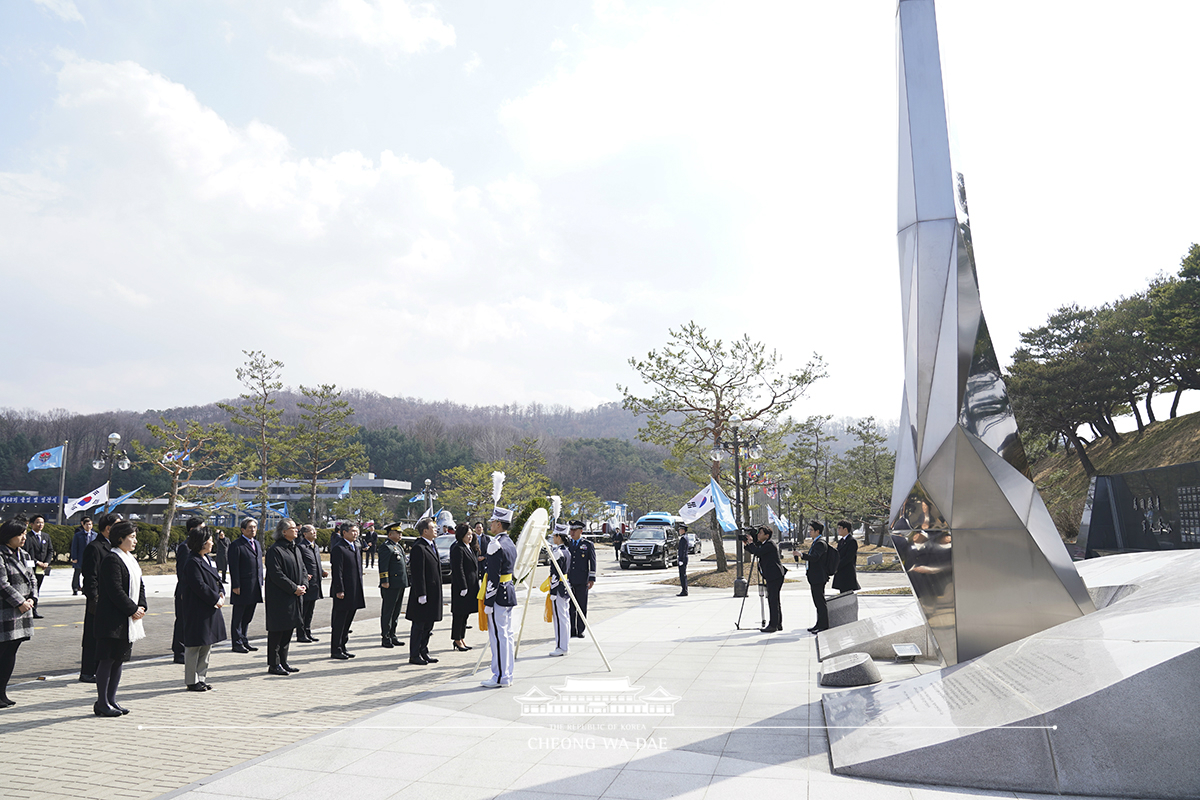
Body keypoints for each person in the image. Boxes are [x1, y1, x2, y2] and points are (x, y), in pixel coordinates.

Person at [94, 521, 147, 717]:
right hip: (112, 620)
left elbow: (140, 585)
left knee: (119, 661)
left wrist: (141, 606)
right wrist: (132, 609)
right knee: (107, 660)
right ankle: (101, 702)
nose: (135, 540)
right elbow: (114, 590)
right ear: (120, 538)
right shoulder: (112, 559)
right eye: (132, 536)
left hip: (127, 621)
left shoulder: (131, 559)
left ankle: (111, 699)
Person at [179, 525, 226, 691]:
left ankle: (201, 677)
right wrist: (215, 598)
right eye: (210, 541)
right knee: (194, 646)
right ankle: (191, 680)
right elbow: (199, 586)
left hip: (210, 608)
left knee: (207, 645)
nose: (212, 544)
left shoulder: (208, 559)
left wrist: (221, 593)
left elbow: (216, 580)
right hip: (198, 608)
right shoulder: (192, 561)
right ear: (201, 542)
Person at [80, 513, 120, 683]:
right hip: (98, 600)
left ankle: (100, 669)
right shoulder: (95, 547)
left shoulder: (115, 548)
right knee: (92, 636)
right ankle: (87, 671)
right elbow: (90, 576)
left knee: (105, 637)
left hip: (112, 602)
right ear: (108, 528)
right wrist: (94, 598)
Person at [1, 519, 37, 708]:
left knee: (11, 652)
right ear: (9, 536)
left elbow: (33, 578)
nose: (24, 537)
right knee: (2, 651)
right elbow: (2, 583)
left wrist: (32, 598)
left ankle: (2, 692)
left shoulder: (23, 554)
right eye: (20, 534)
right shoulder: (1, 555)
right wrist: (20, 601)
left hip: (23, 611)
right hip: (6, 611)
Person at [480, 507, 517, 687]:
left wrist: (488, 601)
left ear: (499, 523)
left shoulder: (495, 544)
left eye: (493, 522)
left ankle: (500, 676)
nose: (491, 525)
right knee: (507, 635)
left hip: (498, 597)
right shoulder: (510, 543)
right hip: (508, 592)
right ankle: (507, 673)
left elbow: (493, 577)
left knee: (498, 636)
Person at [264, 519, 306, 675]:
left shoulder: (295, 548)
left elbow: (302, 569)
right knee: (277, 631)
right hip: (280, 597)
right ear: (283, 532)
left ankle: (283, 661)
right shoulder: (275, 550)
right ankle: (274, 664)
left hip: (294, 596)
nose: (296, 530)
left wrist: (303, 585)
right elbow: (276, 574)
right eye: (293, 528)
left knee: (289, 629)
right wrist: (293, 588)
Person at [405, 518, 441, 665]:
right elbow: (418, 573)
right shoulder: (419, 547)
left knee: (428, 626)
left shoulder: (432, 545)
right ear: (425, 531)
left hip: (433, 593)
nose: (436, 529)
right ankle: (414, 654)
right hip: (423, 594)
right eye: (433, 527)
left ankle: (423, 651)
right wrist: (421, 594)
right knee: (419, 626)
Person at [329, 522, 364, 660]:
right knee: (340, 621)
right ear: (344, 532)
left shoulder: (355, 546)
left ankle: (343, 646)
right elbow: (338, 571)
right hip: (343, 591)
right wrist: (339, 589)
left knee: (348, 621)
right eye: (353, 531)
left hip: (354, 589)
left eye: (357, 531)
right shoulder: (339, 548)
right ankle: (335, 649)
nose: (356, 533)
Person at [172, 518, 206, 664]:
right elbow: (183, 573)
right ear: (192, 530)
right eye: (201, 528)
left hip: (194, 593)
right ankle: (179, 652)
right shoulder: (185, 547)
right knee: (183, 622)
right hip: (185, 593)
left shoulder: (198, 548)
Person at [228, 518, 263, 653]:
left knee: (248, 616)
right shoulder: (236, 545)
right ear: (243, 530)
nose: (253, 530)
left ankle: (244, 639)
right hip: (242, 586)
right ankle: (236, 643)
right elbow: (234, 567)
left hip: (254, 586)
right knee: (238, 617)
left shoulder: (257, 544)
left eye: (254, 527)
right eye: (250, 527)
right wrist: (236, 585)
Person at [745, 526, 786, 633]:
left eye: (760, 533)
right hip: (773, 575)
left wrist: (750, 543)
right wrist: (747, 544)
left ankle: (773, 625)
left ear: (767, 536)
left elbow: (758, 552)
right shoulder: (765, 544)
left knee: (773, 600)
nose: (758, 535)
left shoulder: (770, 544)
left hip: (774, 576)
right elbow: (755, 550)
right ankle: (778, 623)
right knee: (774, 600)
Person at [377, 526, 409, 649]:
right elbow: (383, 565)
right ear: (390, 534)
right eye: (397, 533)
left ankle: (393, 635)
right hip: (390, 584)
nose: (400, 535)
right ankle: (385, 637)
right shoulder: (386, 547)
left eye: (401, 533)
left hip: (400, 583)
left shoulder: (397, 546)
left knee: (396, 611)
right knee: (388, 611)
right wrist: (384, 580)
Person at [449, 523, 477, 652]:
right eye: (467, 535)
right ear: (461, 535)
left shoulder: (468, 547)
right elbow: (458, 568)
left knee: (465, 614)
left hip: (471, 585)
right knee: (459, 614)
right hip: (462, 587)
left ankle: (461, 637)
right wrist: (463, 586)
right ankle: (456, 639)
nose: (470, 537)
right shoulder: (457, 548)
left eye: (471, 535)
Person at [565, 521, 596, 638]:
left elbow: (592, 562)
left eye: (575, 530)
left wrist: (591, 578)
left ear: (581, 531)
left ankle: (581, 630)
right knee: (570, 606)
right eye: (571, 530)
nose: (572, 532)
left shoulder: (587, 544)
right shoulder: (567, 544)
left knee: (582, 606)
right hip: (569, 579)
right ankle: (572, 629)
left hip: (582, 580)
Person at [296, 524, 325, 643]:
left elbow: (316, 563)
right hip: (306, 583)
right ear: (304, 534)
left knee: (310, 610)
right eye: (311, 531)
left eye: (315, 530)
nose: (314, 532)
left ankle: (308, 632)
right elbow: (300, 564)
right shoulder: (301, 547)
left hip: (316, 583)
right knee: (304, 610)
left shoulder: (315, 546)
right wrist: (304, 576)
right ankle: (301, 634)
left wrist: (321, 571)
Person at [801, 520, 831, 633]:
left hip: (819, 576)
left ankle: (823, 625)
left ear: (817, 531)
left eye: (811, 530)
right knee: (817, 601)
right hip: (815, 576)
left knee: (820, 602)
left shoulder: (820, 543)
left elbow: (814, 557)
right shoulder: (816, 542)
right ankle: (819, 624)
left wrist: (802, 555)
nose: (809, 532)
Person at [22, 514, 54, 618]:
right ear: (31, 524)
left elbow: (50, 550)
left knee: (37, 588)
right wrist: (37, 562)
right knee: (30, 588)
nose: (40, 524)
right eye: (38, 522)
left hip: (42, 568)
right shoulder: (27, 536)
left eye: (42, 522)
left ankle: (35, 609)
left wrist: (47, 563)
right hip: (31, 566)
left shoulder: (46, 536)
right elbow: (26, 552)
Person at [547, 529, 571, 657]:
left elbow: (555, 574)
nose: (553, 538)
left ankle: (561, 647)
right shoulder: (566, 551)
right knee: (564, 617)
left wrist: (553, 591)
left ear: (558, 536)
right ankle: (564, 645)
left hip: (559, 589)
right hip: (565, 586)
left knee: (560, 618)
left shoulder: (557, 552)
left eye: (554, 536)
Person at [832, 520, 860, 593]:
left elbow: (848, 558)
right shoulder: (841, 541)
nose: (838, 530)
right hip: (841, 573)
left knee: (847, 594)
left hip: (847, 573)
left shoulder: (851, 541)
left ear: (845, 529)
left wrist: (837, 565)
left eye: (839, 528)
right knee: (842, 594)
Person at [70, 516, 95, 596]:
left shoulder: (95, 535)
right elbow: (74, 546)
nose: (88, 526)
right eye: (87, 524)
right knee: (77, 573)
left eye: (90, 524)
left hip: (90, 559)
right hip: (80, 557)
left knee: (88, 574)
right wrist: (74, 557)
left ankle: (85, 588)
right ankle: (75, 588)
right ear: (83, 525)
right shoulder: (78, 535)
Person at [676, 525, 690, 597]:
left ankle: (684, 590)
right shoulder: (685, 537)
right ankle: (684, 590)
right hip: (684, 558)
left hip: (683, 558)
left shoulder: (683, 539)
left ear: (683, 530)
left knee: (682, 575)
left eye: (680, 529)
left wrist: (681, 559)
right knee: (682, 574)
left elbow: (683, 550)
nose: (679, 531)